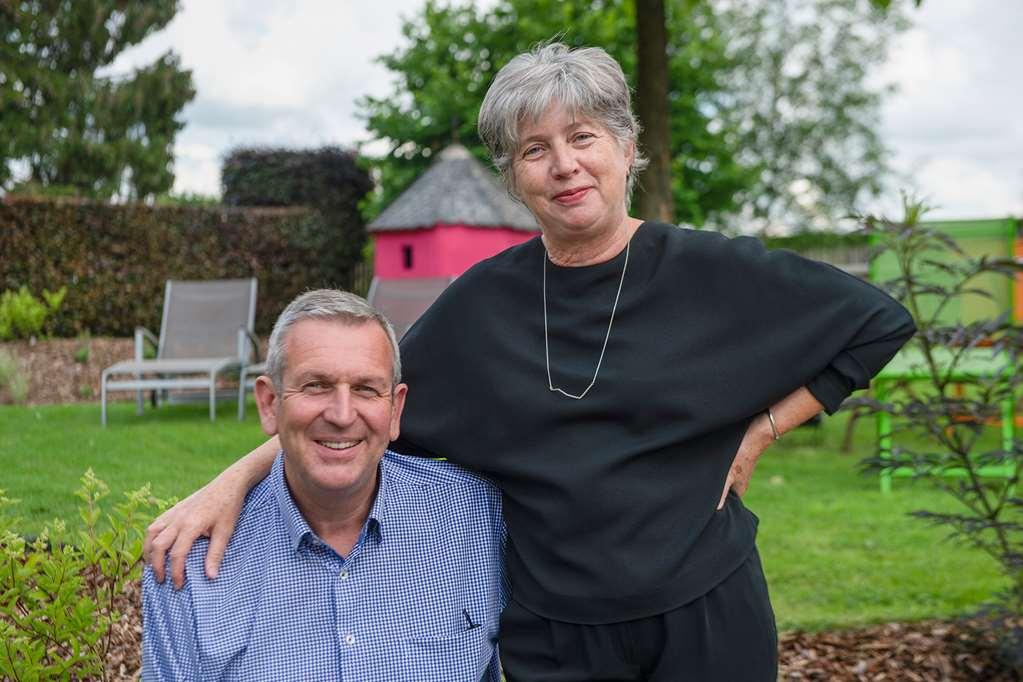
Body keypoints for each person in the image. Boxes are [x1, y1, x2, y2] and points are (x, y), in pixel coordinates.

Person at [145, 44, 915, 681]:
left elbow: (876, 323)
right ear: (513, 177)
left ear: (626, 148)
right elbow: (362, 408)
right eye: (534, 150)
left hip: (703, 618)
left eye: (583, 138)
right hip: (553, 636)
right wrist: (234, 478)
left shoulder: (708, 271)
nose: (564, 166)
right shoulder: (482, 304)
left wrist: (765, 429)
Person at [141, 290, 505, 681]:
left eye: (366, 388)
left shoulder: (475, 518)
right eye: (316, 385)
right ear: (269, 404)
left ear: (395, 409)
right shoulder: (189, 563)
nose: (342, 414)